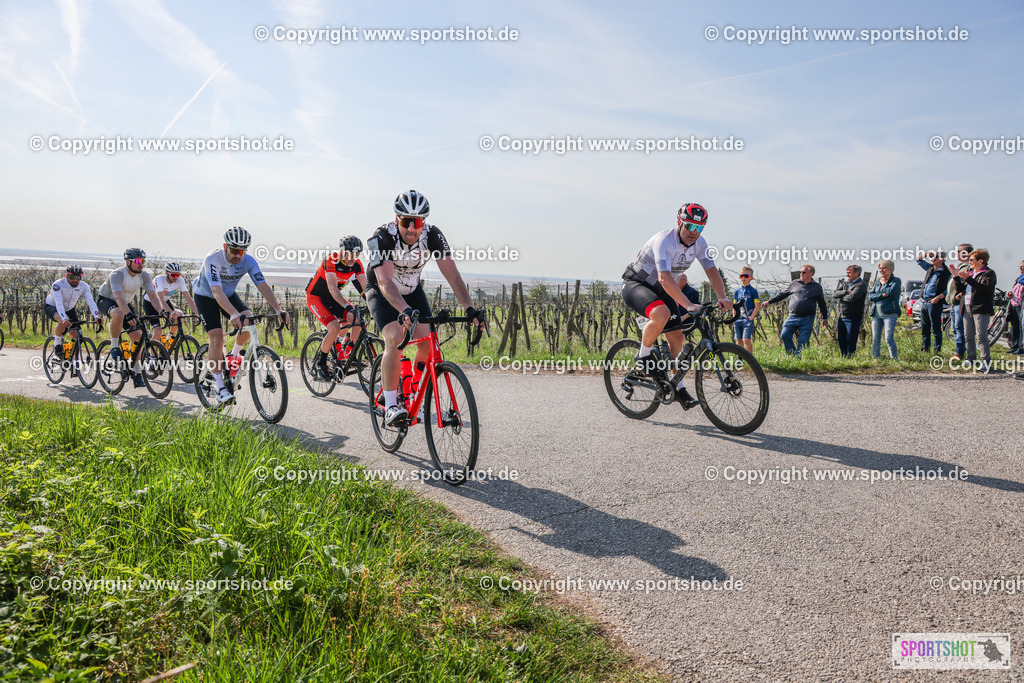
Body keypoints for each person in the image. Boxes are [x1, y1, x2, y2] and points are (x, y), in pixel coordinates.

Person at [366, 190, 486, 425]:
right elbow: (385, 281)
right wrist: (403, 310)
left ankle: (413, 392)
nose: (412, 228)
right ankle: (390, 405)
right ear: (397, 219)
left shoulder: (433, 235)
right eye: (406, 222)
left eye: (418, 222)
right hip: (382, 291)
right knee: (394, 337)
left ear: (424, 222)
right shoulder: (382, 237)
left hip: (412, 290)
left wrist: (469, 308)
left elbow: (453, 275)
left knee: (428, 343)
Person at [621, 202, 730, 410]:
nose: (694, 232)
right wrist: (687, 304)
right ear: (680, 222)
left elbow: (712, 271)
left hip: (663, 289)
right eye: (690, 226)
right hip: (637, 284)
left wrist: (722, 296)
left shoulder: (700, 243)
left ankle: (678, 387)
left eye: (699, 228)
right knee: (661, 314)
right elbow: (664, 278)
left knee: (678, 338)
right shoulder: (664, 241)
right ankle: (643, 356)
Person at [192, 227, 291, 404]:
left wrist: (278, 309)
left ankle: (232, 356)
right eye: (234, 250)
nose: (238, 255)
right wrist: (232, 313)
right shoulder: (212, 259)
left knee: (248, 322)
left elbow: (262, 285)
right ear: (225, 246)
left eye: (242, 251)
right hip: (206, 296)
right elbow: (216, 291)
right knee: (216, 337)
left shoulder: (248, 261)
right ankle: (220, 388)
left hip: (228, 295)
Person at [96, 248, 180, 388]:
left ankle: (136, 372)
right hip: (107, 300)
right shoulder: (117, 275)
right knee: (119, 313)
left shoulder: (144, 276)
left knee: (138, 336)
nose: (141, 264)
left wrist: (162, 311)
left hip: (125, 303)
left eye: (143, 261)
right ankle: (114, 345)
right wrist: (128, 313)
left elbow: (153, 296)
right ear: (128, 262)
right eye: (138, 261)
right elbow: (118, 297)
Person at [306, 236, 368, 379]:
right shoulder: (331, 260)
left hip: (334, 299)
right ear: (343, 251)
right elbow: (333, 288)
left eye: (357, 255)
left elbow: (365, 288)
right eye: (350, 254)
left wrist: (373, 303)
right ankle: (321, 363)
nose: (353, 258)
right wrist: (346, 306)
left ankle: (350, 353)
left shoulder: (357, 264)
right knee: (334, 328)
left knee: (357, 320)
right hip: (316, 297)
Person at [764, 265, 829, 357]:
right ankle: (792, 355)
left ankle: (798, 359)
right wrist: (769, 301)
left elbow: (822, 303)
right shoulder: (794, 283)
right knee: (785, 335)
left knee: (803, 341)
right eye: (800, 272)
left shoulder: (817, 287)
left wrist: (825, 318)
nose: (801, 274)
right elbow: (782, 295)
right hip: (792, 317)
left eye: (804, 272)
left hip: (808, 318)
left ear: (811, 274)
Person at [949, 249, 996, 371]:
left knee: (981, 336)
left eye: (971, 260)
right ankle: (971, 359)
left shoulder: (989, 273)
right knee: (968, 335)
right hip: (967, 307)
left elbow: (983, 288)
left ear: (981, 261)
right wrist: (956, 276)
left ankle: (985, 362)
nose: (969, 262)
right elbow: (961, 289)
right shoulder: (971, 273)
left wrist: (969, 278)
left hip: (980, 308)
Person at [43, 265, 101, 358]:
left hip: (69, 308)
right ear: (67, 276)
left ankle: (71, 361)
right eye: (72, 277)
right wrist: (64, 318)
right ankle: (57, 344)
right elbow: (58, 302)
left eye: (78, 278)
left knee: (75, 336)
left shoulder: (84, 286)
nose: (75, 280)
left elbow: (90, 301)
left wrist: (96, 316)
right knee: (62, 320)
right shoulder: (58, 284)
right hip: (53, 306)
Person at [142, 262, 199, 345]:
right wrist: (171, 312)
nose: (176, 277)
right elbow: (160, 299)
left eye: (178, 275)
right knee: (158, 331)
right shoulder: (159, 279)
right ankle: (152, 353)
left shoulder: (180, 280)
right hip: (150, 303)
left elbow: (187, 297)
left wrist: (197, 311)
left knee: (179, 316)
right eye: (173, 275)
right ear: (166, 273)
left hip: (165, 302)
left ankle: (168, 340)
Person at [915, 250, 951, 353]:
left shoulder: (946, 272)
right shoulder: (930, 268)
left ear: (942, 259)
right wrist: (926, 254)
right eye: (932, 257)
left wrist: (939, 297)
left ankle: (937, 350)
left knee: (935, 327)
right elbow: (919, 260)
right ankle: (925, 348)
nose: (933, 258)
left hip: (935, 302)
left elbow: (949, 288)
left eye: (936, 257)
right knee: (924, 327)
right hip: (925, 302)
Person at [868, 260, 901, 360]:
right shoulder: (877, 282)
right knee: (875, 338)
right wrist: (882, 295)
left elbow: (890, 292)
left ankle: (894, 359)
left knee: (888, 338)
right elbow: (871, 296)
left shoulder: (896, 281)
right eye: (880, 268)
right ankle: (876, 359)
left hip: (890, 313)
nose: (881, 270)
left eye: (883, 268)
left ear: (890, 269)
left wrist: (884, 284)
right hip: (876, 314)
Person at [833, 265, 867, 357]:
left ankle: (850, 358)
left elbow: (852, 298)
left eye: (849, 273)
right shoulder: (846, 284)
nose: (847, 274)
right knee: (841, 339)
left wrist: (841, 297)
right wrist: (846, 292)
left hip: (853, 317)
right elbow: (835, 294)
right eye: (847, 272)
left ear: (857, 273)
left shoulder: (861, 285)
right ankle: (844, 357)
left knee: (850, 339)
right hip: (842, 316)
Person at [947, 243, 972, 361]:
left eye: (959, 251)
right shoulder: (960, 266)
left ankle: (959, 352)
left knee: (959, 327)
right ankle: (958, 349)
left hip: (960, 302)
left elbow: (967, 283)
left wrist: (961, 294)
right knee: (954, 328)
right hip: (953, 302)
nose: (956, 253)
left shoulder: (969, 267)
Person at [732, 266, 760, 354]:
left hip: (748, 319)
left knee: (746, 340)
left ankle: (750, 359)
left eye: (746, 276)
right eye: (741, 276)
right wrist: (734, 318)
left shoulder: (753, 291)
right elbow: (734, 306)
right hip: (738, 319)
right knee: (739, 341)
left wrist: (751, 317)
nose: (743, 278)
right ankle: (740, 358)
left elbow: (757, 305)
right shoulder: (737, 292)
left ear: (751, 278)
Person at [1006, 259, 1024, 355]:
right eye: (1020, 266)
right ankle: (1014, 346)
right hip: (1014, 304)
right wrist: (1010, 293)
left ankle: (1020, 347)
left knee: (1021, 326)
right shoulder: (1019, 278)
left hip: (1021, 305)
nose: (1021, 268)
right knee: (1014, 325)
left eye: (1023, 267)